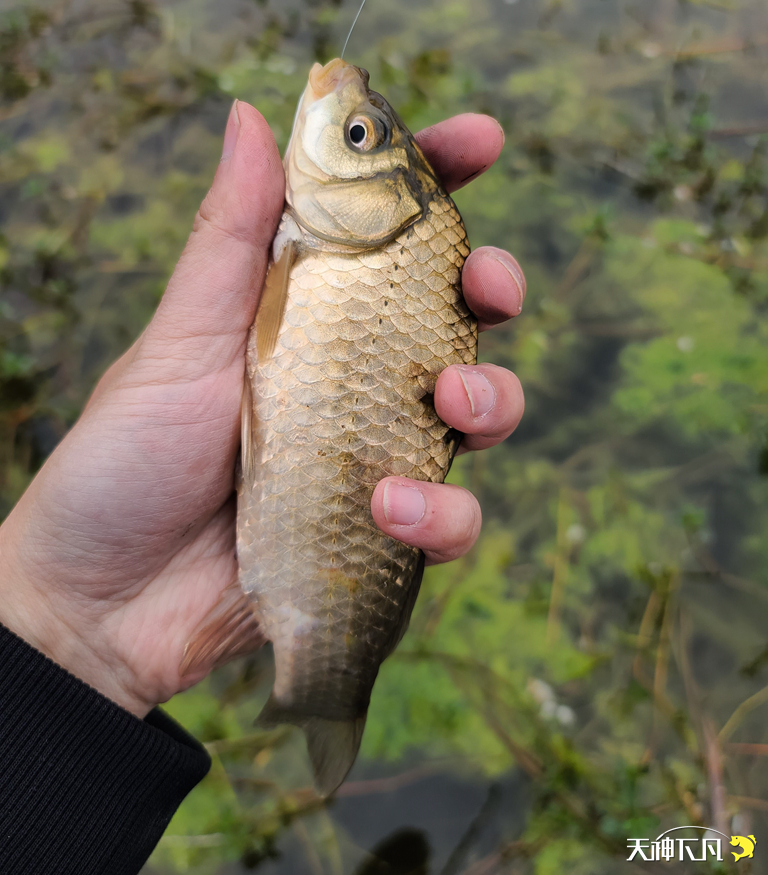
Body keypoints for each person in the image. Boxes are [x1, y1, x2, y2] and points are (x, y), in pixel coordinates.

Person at [0, 102, 526, 874]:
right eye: (360, 134)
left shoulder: (355, 246)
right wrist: (56, 621)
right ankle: (326, 684)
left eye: (357, 138)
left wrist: (56, 623)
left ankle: (328, 684)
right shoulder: (338, 239)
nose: (342, 114)